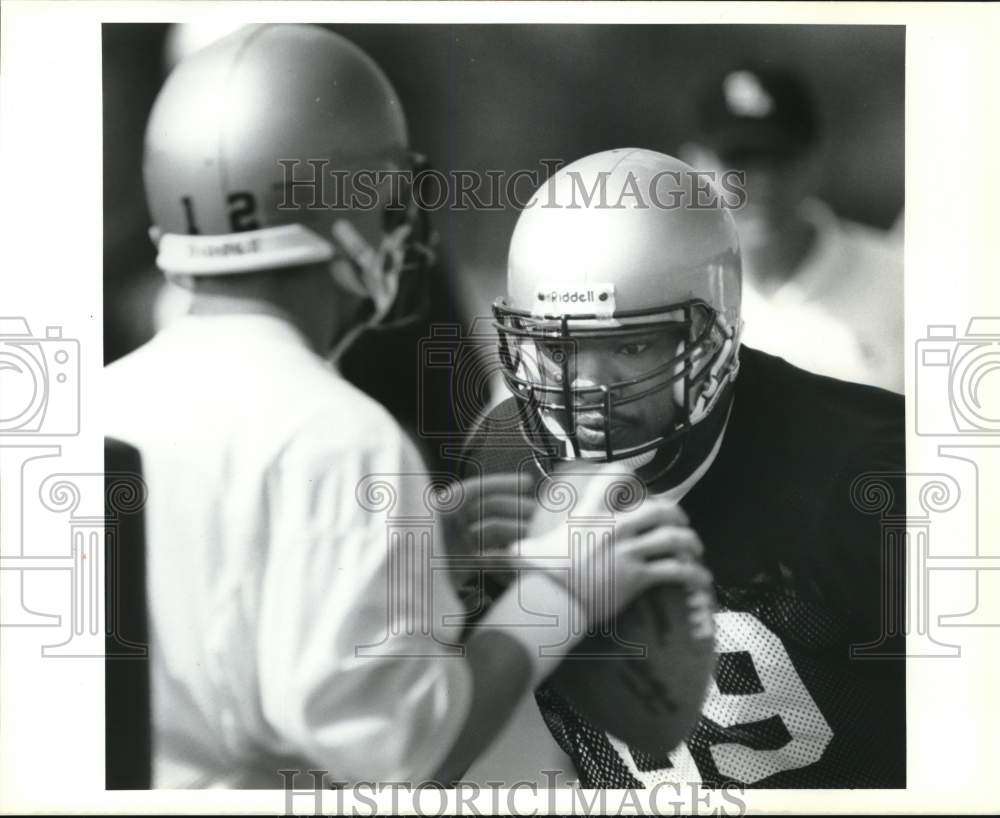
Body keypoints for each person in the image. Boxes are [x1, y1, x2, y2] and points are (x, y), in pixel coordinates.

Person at [104, 26, 709, 788]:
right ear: (346, 211)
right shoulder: (336, 435)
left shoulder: (101, 401)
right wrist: (562, 592)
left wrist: (408, 560)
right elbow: (408, 756)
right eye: (384, 196)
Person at [459, 148, 906, 788]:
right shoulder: (502, 463)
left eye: (632, 345)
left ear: (714, 332)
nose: (587, 388)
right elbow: (419, 743)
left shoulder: (871, 472)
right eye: (558, 347)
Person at [679, 63, 904, 394]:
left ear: (817, 159)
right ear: (695, 165)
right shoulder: (669, 291)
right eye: (740, 158)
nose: (763, 183)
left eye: (780, 157)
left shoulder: (906, 283)